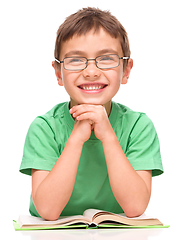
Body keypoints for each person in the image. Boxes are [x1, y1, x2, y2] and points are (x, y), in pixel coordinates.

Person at [20, 7, 163, 221]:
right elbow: (48, 212)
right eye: (76, 60)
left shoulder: (138, 126)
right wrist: (77, 137)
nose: (91, 71)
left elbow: (135, 207)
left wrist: (107, 135)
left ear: (126, 70)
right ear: (58, 73)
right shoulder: (44, 127)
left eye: (106, 58)